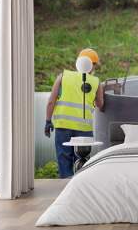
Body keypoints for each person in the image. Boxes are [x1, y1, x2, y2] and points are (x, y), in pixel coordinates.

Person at [44, 48, 104, 178]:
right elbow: (101, 105)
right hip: (84, 128)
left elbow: (51, 102)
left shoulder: (63, 77)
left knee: (64, 159)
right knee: (83, 162)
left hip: (63, 126)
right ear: (93, 65)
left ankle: (66, 189)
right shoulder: (95, 82)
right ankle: (82, 188)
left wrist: (48, 121)